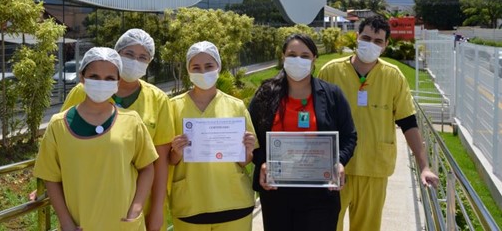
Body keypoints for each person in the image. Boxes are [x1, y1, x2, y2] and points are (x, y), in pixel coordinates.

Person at [318, 15, 439, 231]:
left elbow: (408, 122)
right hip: (335, 168)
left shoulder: (393, 76)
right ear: (356, 37)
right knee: (326, 224)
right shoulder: (330, 71)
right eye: (366, 38)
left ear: (385, 45)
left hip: (374, 169)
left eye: (377, 41)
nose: (370, 44)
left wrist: (424, 167)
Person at [34, 47, 158, 231]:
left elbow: (147, 168)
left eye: (109, 78)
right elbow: (50, 177)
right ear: (82, 78)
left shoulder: (132, 121)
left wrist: (136, 208)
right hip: (81, 224)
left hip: (125, 224)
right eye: (94, 77)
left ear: (117, 82)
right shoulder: (58, 125)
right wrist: (66, 222)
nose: (102, 83)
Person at [61, 29, 174, 231]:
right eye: (129, 54)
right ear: (117, 54)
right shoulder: (83, 91)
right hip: (87, 203)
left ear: (149, 62)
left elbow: (160, 162)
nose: (134, 61)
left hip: (138, 207)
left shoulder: (158, 99)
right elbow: (60, 144)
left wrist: (157, 209)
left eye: (142, 57)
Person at [249, 33, 357, 231]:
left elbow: (349, 136)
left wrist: (339, 161)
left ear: (314, 58)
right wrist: (262, 161)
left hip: (320, 194)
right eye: (292, 54)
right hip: (277, 193)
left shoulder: (332, 95)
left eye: (305, 56)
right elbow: (251, 137)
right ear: (283, 57)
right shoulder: (265, 94)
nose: (298, 60)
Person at [169, 41, 257, 231]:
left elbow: (244, 161)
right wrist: (176, 151)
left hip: (234, 202)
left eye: (209, 66)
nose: (203, 72)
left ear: (218, 67)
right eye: (196, 67)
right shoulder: (173, 107)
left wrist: (248, 150)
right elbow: (168, 159)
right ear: (188, 71)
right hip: (191, 205)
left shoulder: (236, 106)